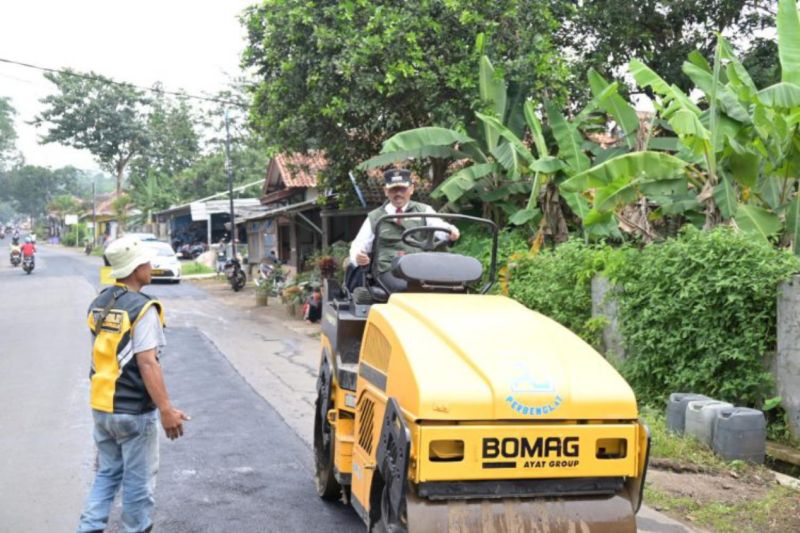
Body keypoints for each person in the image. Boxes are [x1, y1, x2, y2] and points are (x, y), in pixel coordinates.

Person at [77, 235, 189, 533]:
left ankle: (87, 528)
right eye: (147, 262)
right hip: (133, 413)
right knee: (138, 484)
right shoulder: (142, 308)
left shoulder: (99, 303)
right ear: (136, 268)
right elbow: (147, 362)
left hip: (102, 407)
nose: (151, 267)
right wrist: (166, 409)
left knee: (107, 474)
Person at [349, 168, 460, 292]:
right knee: (405, 288)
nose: (398, 194)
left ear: (411, 189)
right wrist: (358, 256)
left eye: (403, 189)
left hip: (421, 266)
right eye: (393, 189)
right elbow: (358, 245)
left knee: (449, 287)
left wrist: (450, 231)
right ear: (386, 191)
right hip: (388, 270)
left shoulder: (424, 211)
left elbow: (439, 226)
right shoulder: (375, 217)